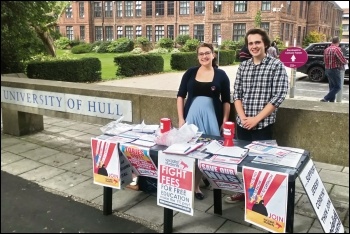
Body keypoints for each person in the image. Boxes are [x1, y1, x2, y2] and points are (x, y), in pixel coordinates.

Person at [225, 28, 289, 204]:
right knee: (242, 160)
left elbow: (278, 96)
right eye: (250, 43)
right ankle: (244, 192)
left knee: (261, 163)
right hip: (242, 123)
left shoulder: (276, 66)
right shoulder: (243, 66)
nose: (254, 46)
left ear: (265, 44)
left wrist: (256, 119)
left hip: (263, 125)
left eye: (257, 42)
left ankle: (258, 198)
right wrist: (243, 117)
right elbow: (236, 93)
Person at [177, 42, 231, 200]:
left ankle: (195, 186)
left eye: (207, 53)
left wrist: (225, 121)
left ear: (213, 55)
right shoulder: (190, 72)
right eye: (201, 54)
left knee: (206, 151)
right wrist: (181, 118)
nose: (204, 56)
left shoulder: (221, 75)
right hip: (191, 118)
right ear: (197, 56)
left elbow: (226, 101)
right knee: (190, 150)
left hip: (212, 118)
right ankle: (196, 180)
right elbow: (180, 96)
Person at [320, 36, 348, 102]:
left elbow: (324, 60)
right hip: (335, 69)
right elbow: (342, 60)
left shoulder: (326, 49)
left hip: (327, 69)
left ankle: (331, 101)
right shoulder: (337, 49)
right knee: (338, 87)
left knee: (332, 86)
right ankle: (326, 98)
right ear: (338, 42)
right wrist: (347, 61)